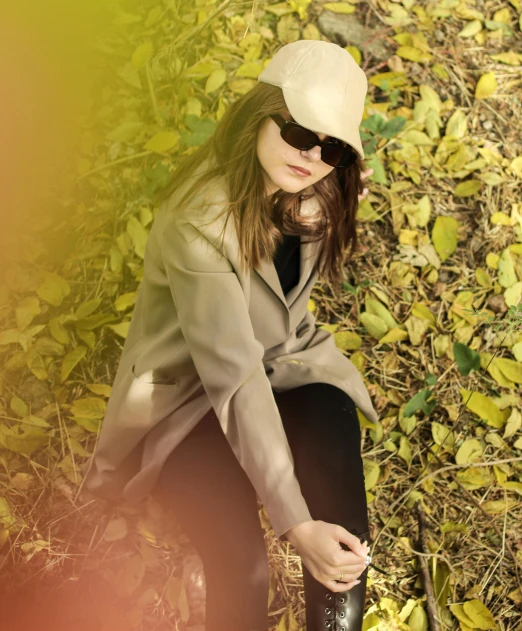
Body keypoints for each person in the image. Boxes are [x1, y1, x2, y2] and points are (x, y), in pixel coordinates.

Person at [82, 40, 380, 630]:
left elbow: (277, 335)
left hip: (284, 368)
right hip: (186, 405)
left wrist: (325, 199)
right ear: (257, 115)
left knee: (344, 530)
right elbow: (233, 375)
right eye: (298, 133)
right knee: (245, 569)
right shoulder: (200, 223)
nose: (314, 156)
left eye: (334, 146)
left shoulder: (318, 187)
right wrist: (295, 524)